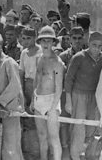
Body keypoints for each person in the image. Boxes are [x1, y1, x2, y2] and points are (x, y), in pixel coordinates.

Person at [64, 31, 102, 160]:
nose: (97, 48)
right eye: (94, 44)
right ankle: (75, 156)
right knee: (78, 128)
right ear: (88, 43)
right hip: (79, 96)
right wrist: (68, 100)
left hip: (95, 98)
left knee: (92, 128)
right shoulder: (79, 57)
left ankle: (87, 155)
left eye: (100, 46)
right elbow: (69, 79)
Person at [32, 26, 64, 160]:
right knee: (41, 136)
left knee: (54, 138)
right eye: (43, 41)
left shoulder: (57, 63)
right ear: (39, 42)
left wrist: (52, 109)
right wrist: (33, 100)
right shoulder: (38, 58)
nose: (45, 44)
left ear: (53, 43)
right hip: (38, 101)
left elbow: (59, 88)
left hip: (52, 101)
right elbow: (36, 80)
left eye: (49, 41)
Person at [19, 26, 42, 113]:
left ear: (35, 38)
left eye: (29, 38)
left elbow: (40, 77)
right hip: (26, 86)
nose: (26, 41)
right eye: (24, 38)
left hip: (38, 86)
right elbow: (21, 73)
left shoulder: (41, 52)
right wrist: (22, 95)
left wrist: (33, 98)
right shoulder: (24, 53)